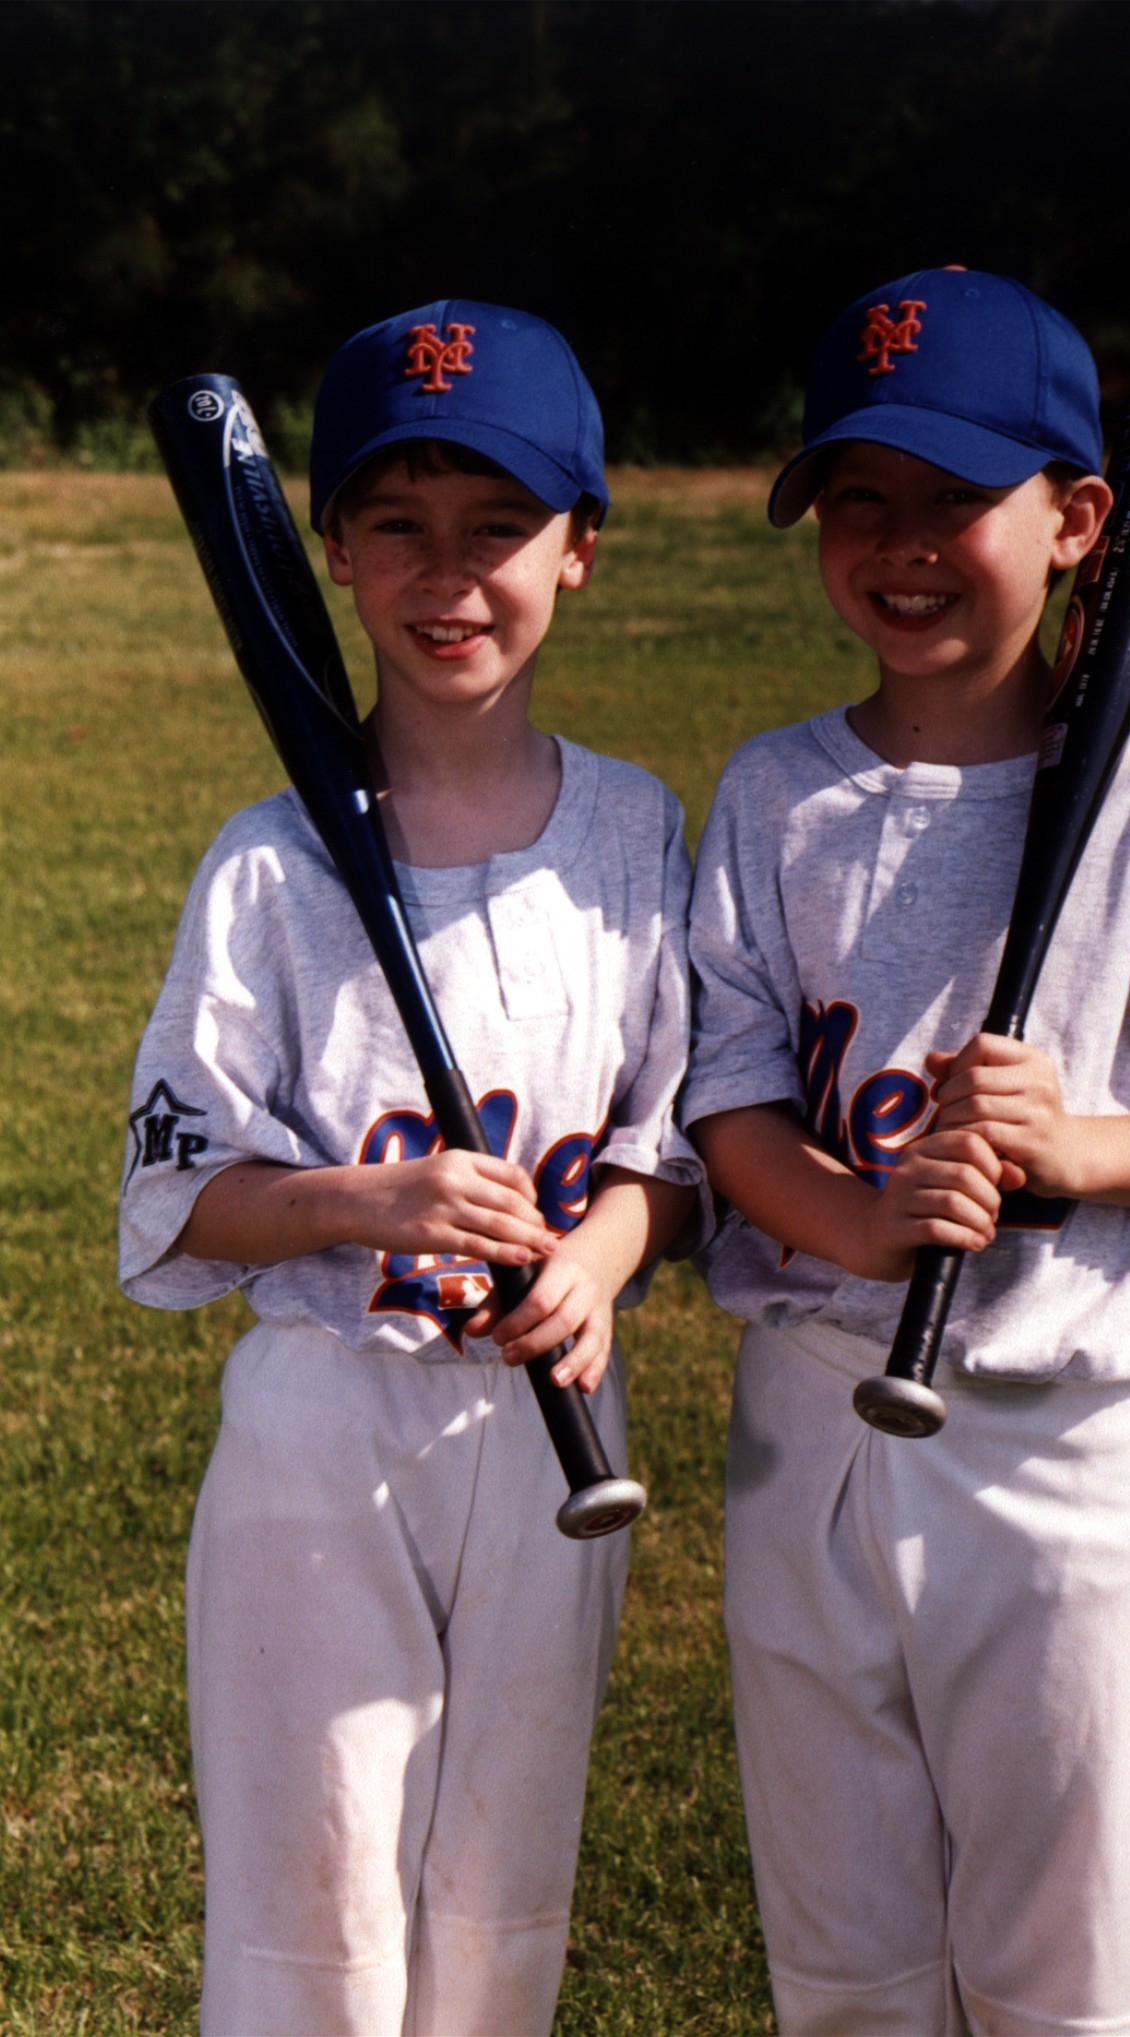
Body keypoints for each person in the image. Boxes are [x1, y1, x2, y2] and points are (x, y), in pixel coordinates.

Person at [682, 266, 1130, 2037]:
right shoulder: (776, 794)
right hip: (814, 1427)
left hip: (1059, 1456)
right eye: (860, 500)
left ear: (1081, 522)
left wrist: (1074, 1148)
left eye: (955, 501)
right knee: (843, 1962)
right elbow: (727, 1094)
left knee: (1061, 1970)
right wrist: (853, 1222)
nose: (902, 545)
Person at [119, 298, 702, 2037]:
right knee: (316, 1921)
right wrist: (365, 1200)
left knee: (499, 1911)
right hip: (325, 1428)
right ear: (340, 556)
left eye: (498, 530)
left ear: (580, 549)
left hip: (547, 1440)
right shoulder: (270, 862)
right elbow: (180, 1186)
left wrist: (598, 1261)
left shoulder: (633, 833)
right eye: (400, 529)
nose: (450, 580)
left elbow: (675, 1147)